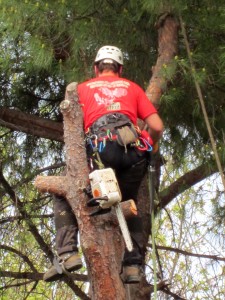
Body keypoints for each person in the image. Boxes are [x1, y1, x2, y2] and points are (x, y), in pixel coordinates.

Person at [43, 45, 164, 284]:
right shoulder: (133, 88)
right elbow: (157, 126)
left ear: (96, 67)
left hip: (100, 152)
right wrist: (149, 143)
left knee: (63, 193)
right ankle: (133, 267)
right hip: (133, 155)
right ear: (120, 69)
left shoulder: (81, 89)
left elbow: (74, 130)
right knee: (130, 203)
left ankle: (67, 253)